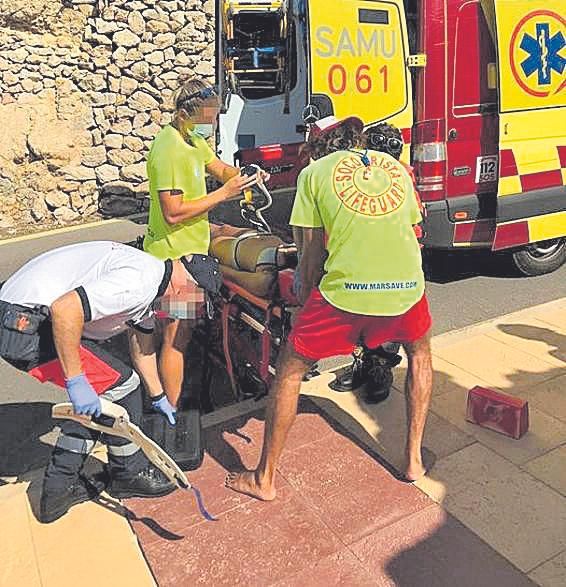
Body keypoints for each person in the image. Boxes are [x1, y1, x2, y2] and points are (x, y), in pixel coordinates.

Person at [227, 116, 433, 500]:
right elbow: (407, 227)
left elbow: (309, 257)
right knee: (420, 355)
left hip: (344, 294)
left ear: (320, 145)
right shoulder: (395, 168)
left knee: (290, 371)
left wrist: (305, 299)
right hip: (408, 286)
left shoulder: (314, 173)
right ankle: (413, 460)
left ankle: (264, 478)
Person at [0, 240, 222, 522]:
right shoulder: (139, 281)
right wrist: (77, 380)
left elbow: (142, 351)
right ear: (184, 285)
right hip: (24, 322)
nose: (191, 313)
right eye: (196, 304)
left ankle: (96, 477)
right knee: (119, 387)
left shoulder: (151, 291)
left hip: (23, 313)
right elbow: (65, 309)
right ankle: (97, 478)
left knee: (115, 389)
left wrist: (158, 398)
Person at [143, 78, 265, 410]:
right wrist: (223, 195)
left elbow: (218, 167)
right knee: (176, 338)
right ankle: (172, 409)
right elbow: (173, 212)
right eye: (207, 116)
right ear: (186, 113)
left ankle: (172, 396)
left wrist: (243, 176)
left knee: (180, 333)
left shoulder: (193, 142)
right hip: (175, 258)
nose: (211, 122)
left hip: (193, 253)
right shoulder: (169, 149)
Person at [330, 122, 425, 401]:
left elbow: (411, 223)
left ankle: (380, 368)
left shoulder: (401, 177)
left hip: (395, 261)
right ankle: (365, 363)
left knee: (388, 320)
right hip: (363, 257)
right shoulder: (361, 175)